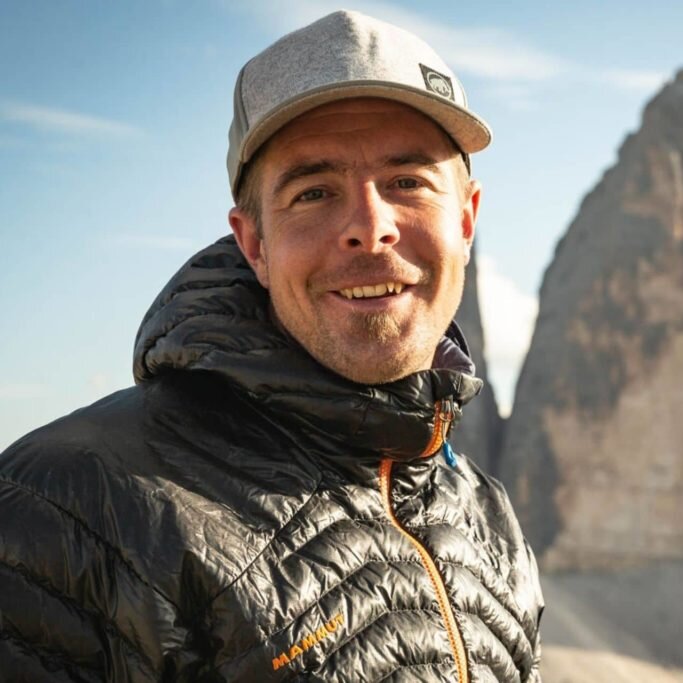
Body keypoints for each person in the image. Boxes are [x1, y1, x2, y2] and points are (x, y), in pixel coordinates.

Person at [0, 10, 543, 682]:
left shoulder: (485, 515)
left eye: (407, 182)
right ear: (253, 243)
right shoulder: (67, 503)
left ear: (465, 219)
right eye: (313, 192)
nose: (369, 226)